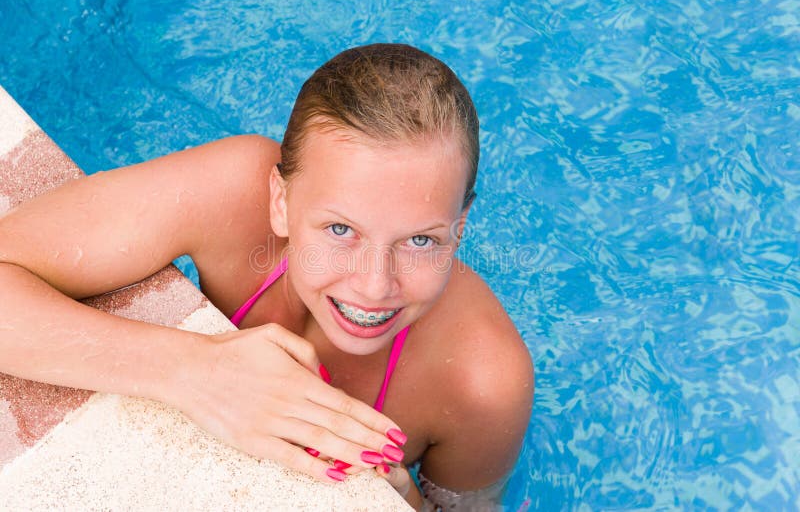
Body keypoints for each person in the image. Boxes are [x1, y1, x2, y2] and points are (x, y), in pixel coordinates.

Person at [0, 44, 533, 510]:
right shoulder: (231, 194)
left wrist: (398, 500)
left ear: (459, 231)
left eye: (421, 240)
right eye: (340, 228)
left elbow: (466, 511)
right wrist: (192, 370)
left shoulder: (482, 383)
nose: (374, 286)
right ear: (280, 201)